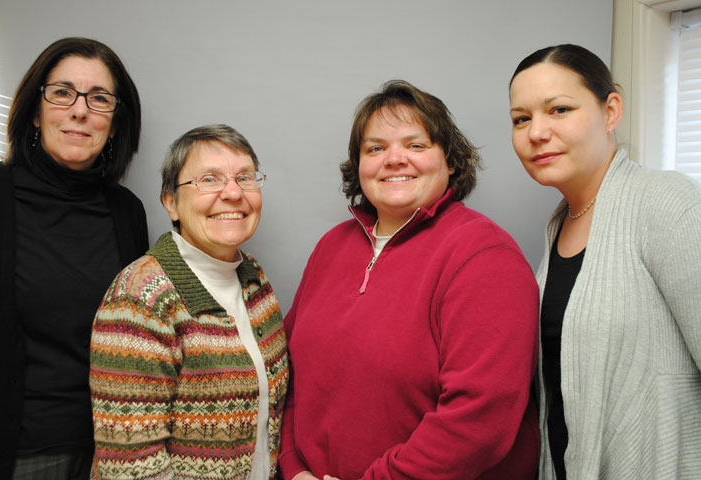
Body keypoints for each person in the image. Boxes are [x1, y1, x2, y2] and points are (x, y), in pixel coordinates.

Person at [279, 80, 540, 480]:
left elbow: (479, 421)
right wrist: (294, 469)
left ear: (450, 161)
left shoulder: (485, 256)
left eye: (416, 146)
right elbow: (289, 375)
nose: (394, 159)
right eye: (375, 148)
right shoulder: (331, 248)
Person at [0, 37, 148, 479]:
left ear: (115, 120)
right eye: (63, 92)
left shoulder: (127, 211)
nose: (80, 110)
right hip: (10, 455)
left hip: (113, 454)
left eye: (100, 98)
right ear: (34, 109)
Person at [509, 44, 701, 479]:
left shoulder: (666, 202)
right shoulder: (560, 224)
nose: (536, 132)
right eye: (521, 119)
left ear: (611, 110)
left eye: (558, 110)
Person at [89, 124, 289, 480]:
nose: (232, 192)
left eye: (245, 177)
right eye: (209, 179)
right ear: (171, 202)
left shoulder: (254, 279)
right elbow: (131, 467)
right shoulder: (138, 299)